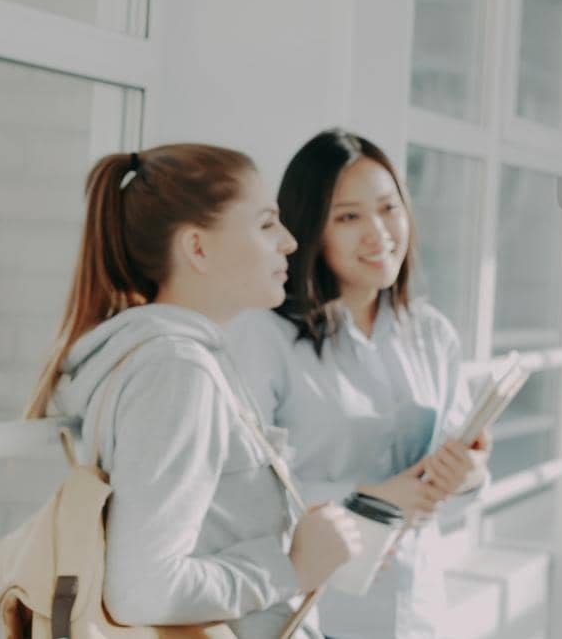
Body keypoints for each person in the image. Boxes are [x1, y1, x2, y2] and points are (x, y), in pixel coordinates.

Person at [25, 144, 360, 637]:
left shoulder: (168, 359)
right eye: (266, 224)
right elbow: (143, 587)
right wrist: (291, 567)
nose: (289, 241)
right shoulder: (177, 371)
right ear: (197, 249)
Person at [227, 128, 490, 639]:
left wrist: (470, 475)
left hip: (416, 611)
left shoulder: (432, 334)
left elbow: (451, 491)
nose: (379, 232)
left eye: (388, 208)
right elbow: (240, 495)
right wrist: (370, 499)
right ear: (310, 228)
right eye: (349, 217)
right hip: (309, 611)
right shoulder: (264, 336)